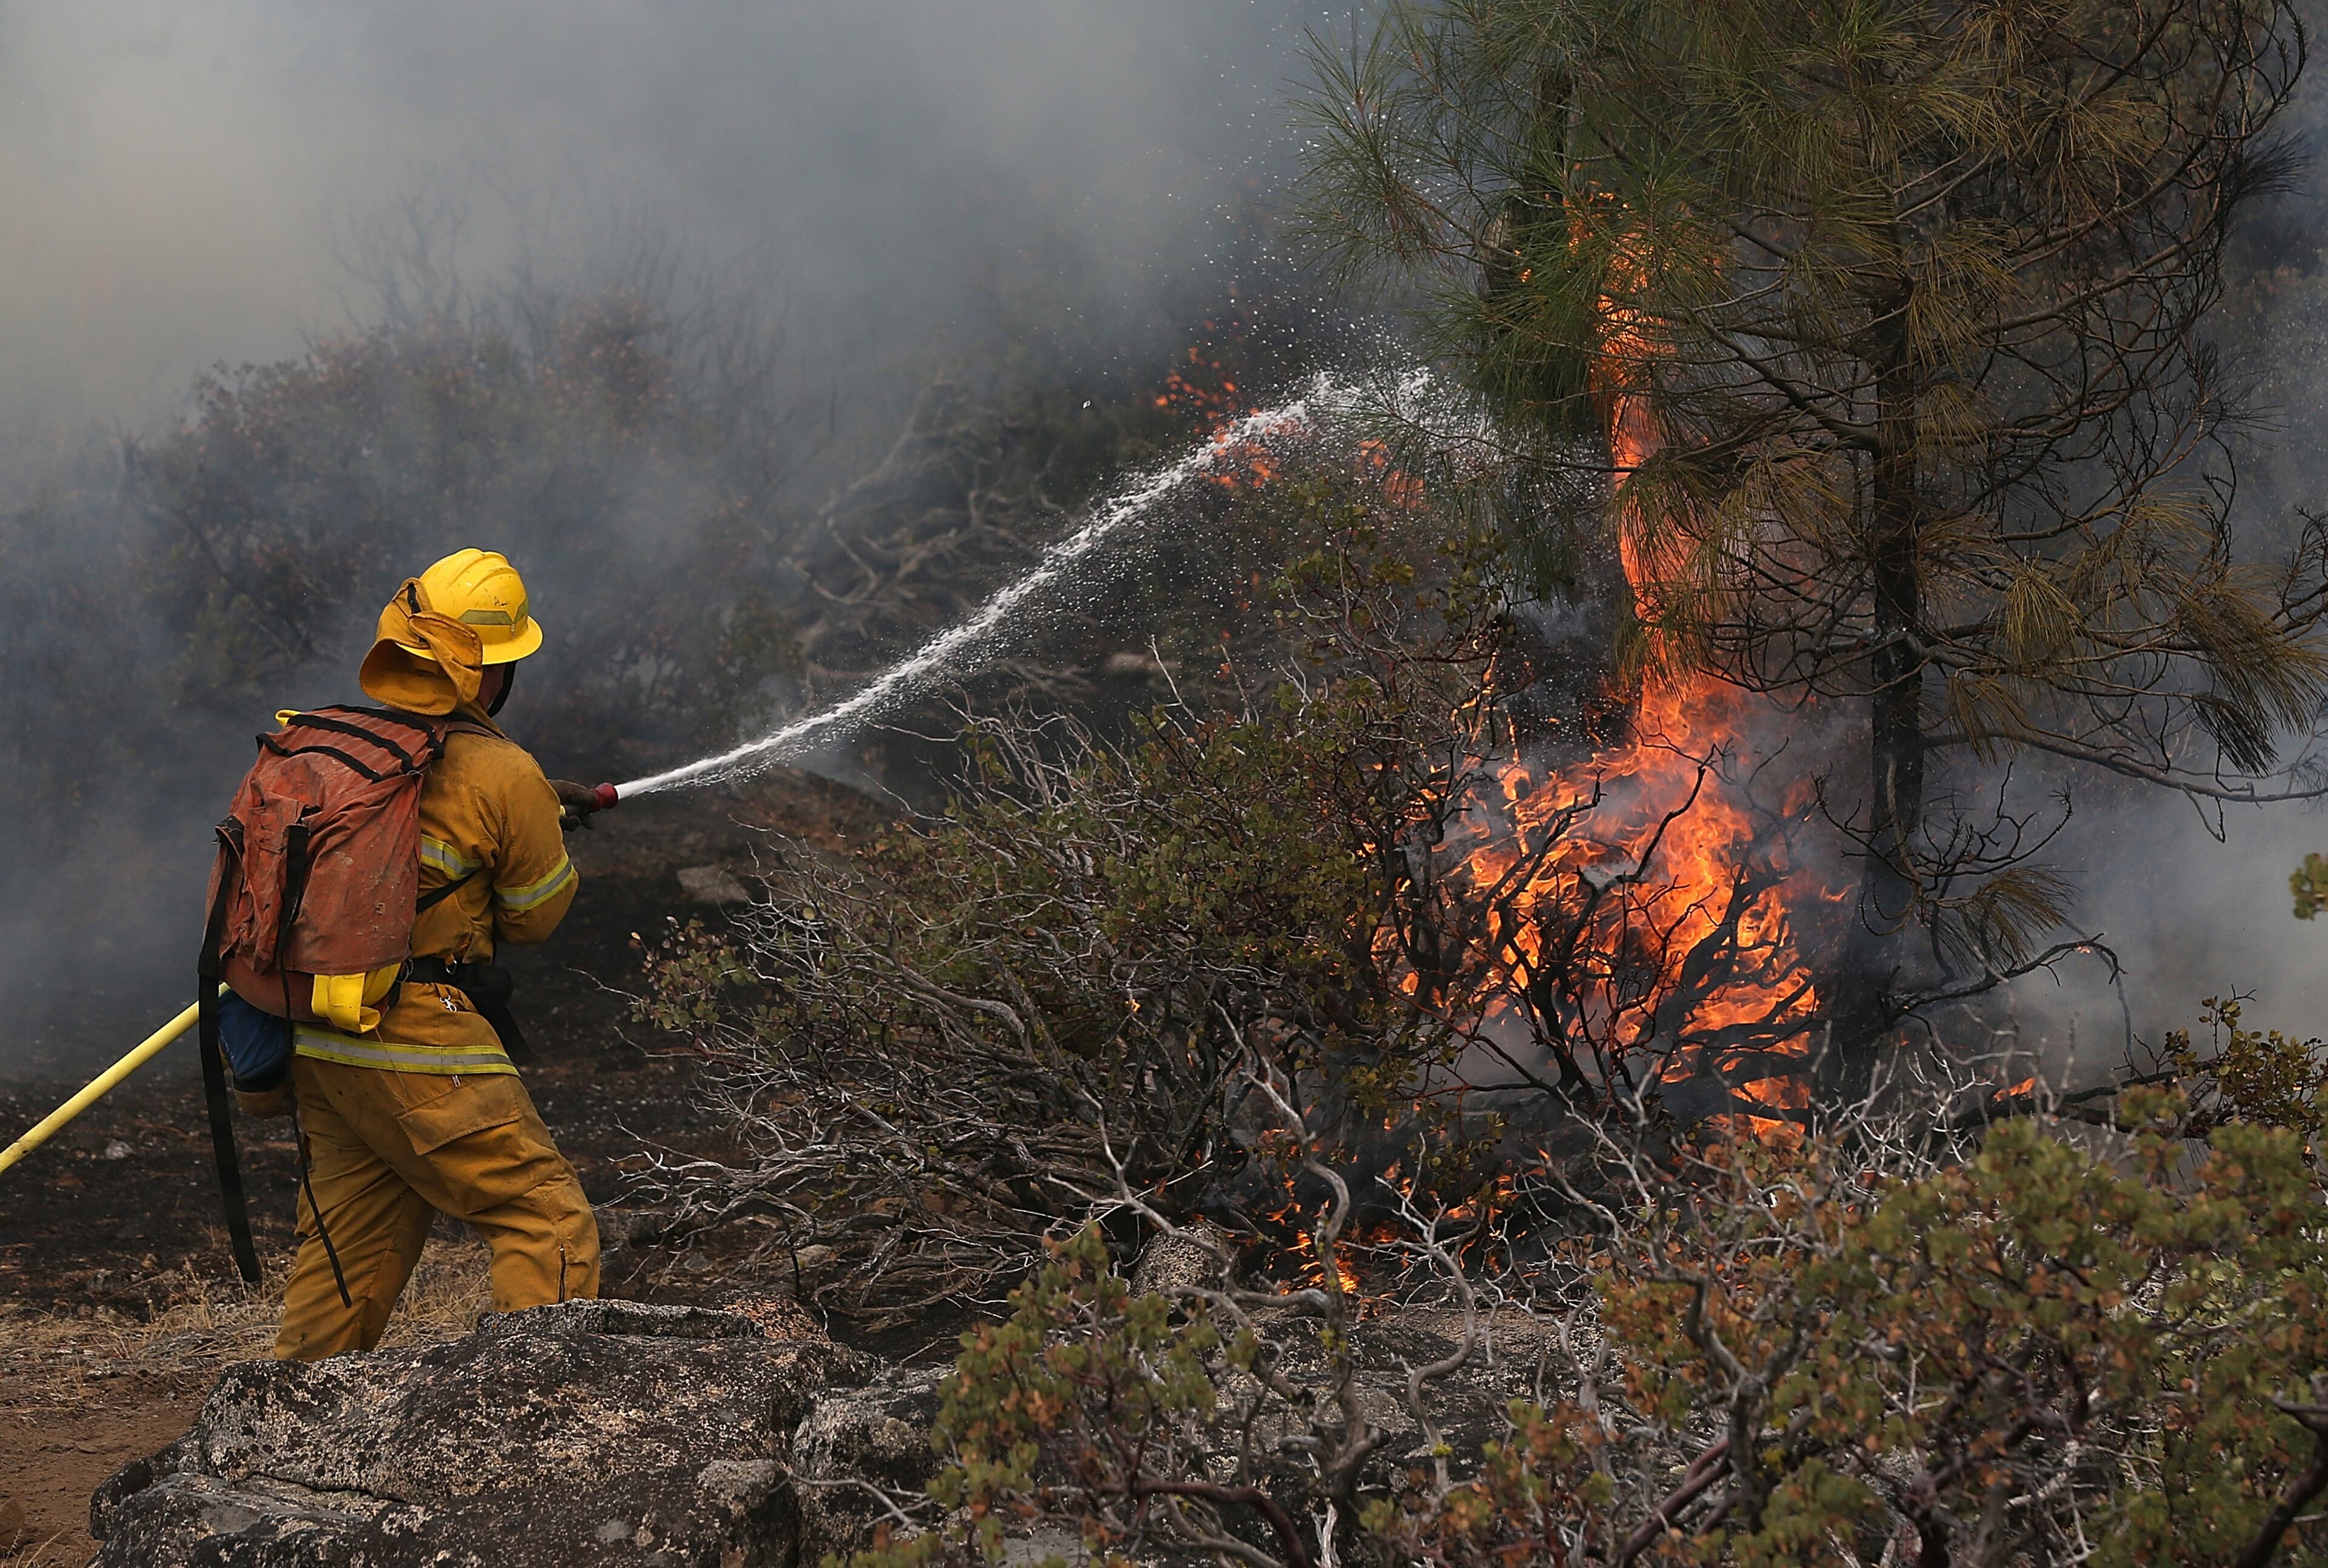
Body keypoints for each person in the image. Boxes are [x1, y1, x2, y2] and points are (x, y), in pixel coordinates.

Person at [271, 548, 601, 1360]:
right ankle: (531, 1428)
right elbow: (532, 919)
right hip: (414, 1038)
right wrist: (542, 827)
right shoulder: (503, 772)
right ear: (491, 673)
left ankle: (278, 1435)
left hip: (317, 1034)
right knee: (545, 1219)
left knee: (349, 1258)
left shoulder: (330, 745)